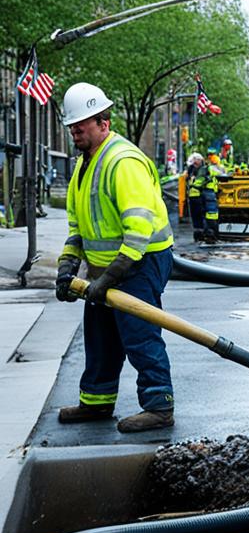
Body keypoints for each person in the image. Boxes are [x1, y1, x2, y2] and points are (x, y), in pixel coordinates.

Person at [53, 82, 176, 433]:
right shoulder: (84, 165)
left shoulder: (123, 161)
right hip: (110, 265)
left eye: (82, 125)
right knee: (100, 331)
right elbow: (78, 227)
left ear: (103, 123)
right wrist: (67, 268)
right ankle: (96, 401)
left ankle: (159, 405)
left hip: (141, 261)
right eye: (72, 126)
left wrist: (108, 279)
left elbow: (138, 233)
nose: (75, 131)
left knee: (138, 332)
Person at [184, 152, 205, 242]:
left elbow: (198, 182)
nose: (194, 164)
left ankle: (200, 234)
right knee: (194, 216)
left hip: (199, 197)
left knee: (199, 216)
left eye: (196, 162)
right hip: (192, 197)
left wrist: (192, 184)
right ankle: (197, 234)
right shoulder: (191, 169)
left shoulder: (202, 170)